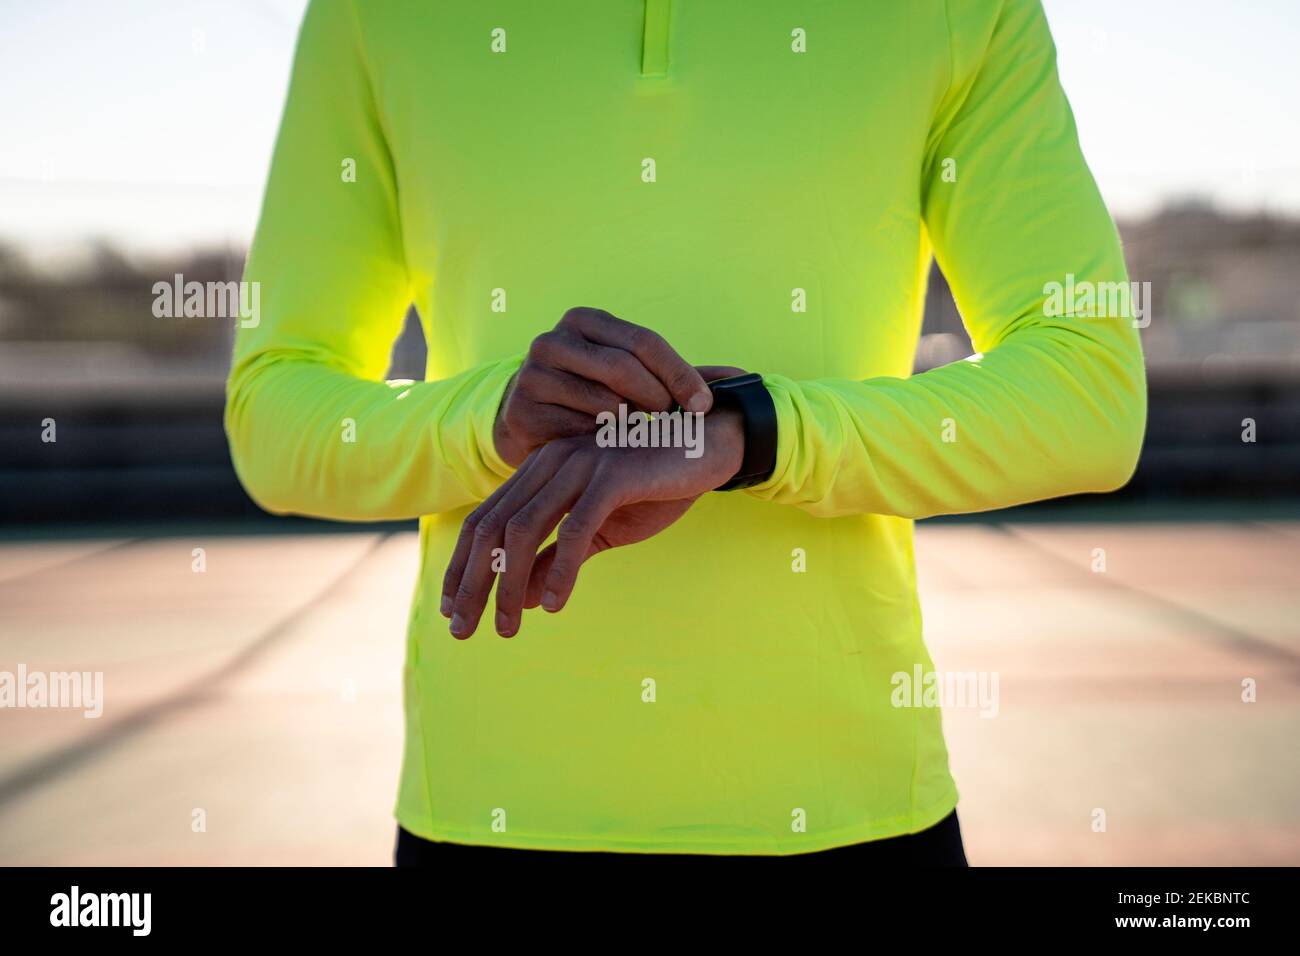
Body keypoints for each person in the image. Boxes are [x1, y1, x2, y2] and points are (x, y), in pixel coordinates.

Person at [225, 0, 1145, 864]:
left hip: (853, 820)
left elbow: (1091, 395)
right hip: (486, 821)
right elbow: (270, 413)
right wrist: (489, 421)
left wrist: (758, 430)